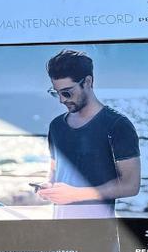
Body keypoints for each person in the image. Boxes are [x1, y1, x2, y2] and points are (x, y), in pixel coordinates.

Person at [38, 50, 141, 220]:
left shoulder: (117, 125)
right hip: (59, 226)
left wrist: (75, 194)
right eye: (56, 93)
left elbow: (131, 185)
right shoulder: (56, 126)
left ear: (87, 82)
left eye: (67, 92)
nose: (61, 100)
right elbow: (55, 171)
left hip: (98, 230)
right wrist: (49, 187)